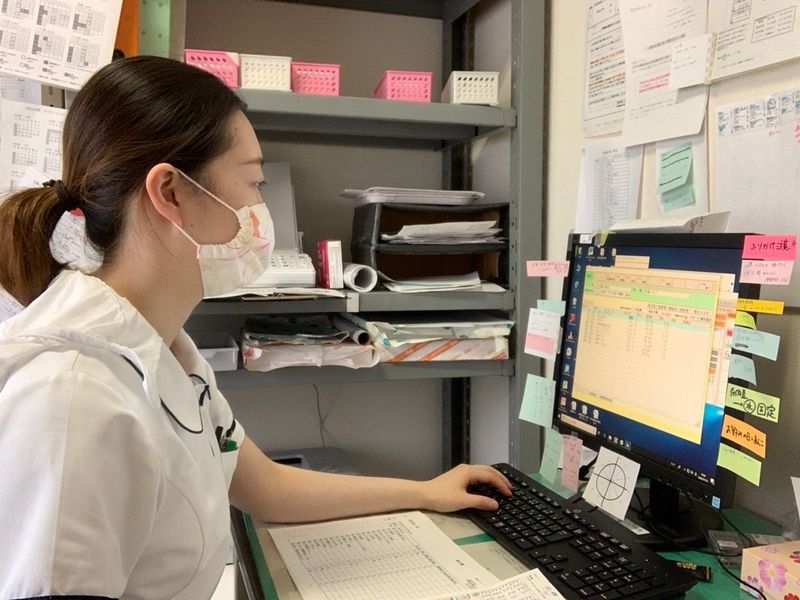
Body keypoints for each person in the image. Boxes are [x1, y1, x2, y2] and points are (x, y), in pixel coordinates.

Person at [0, 56, 512, 600]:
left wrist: (427, 493)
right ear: (170, 192)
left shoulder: (166, 349)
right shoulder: (73, 394)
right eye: (253, 182)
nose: (260, 209)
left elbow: (266, 487)